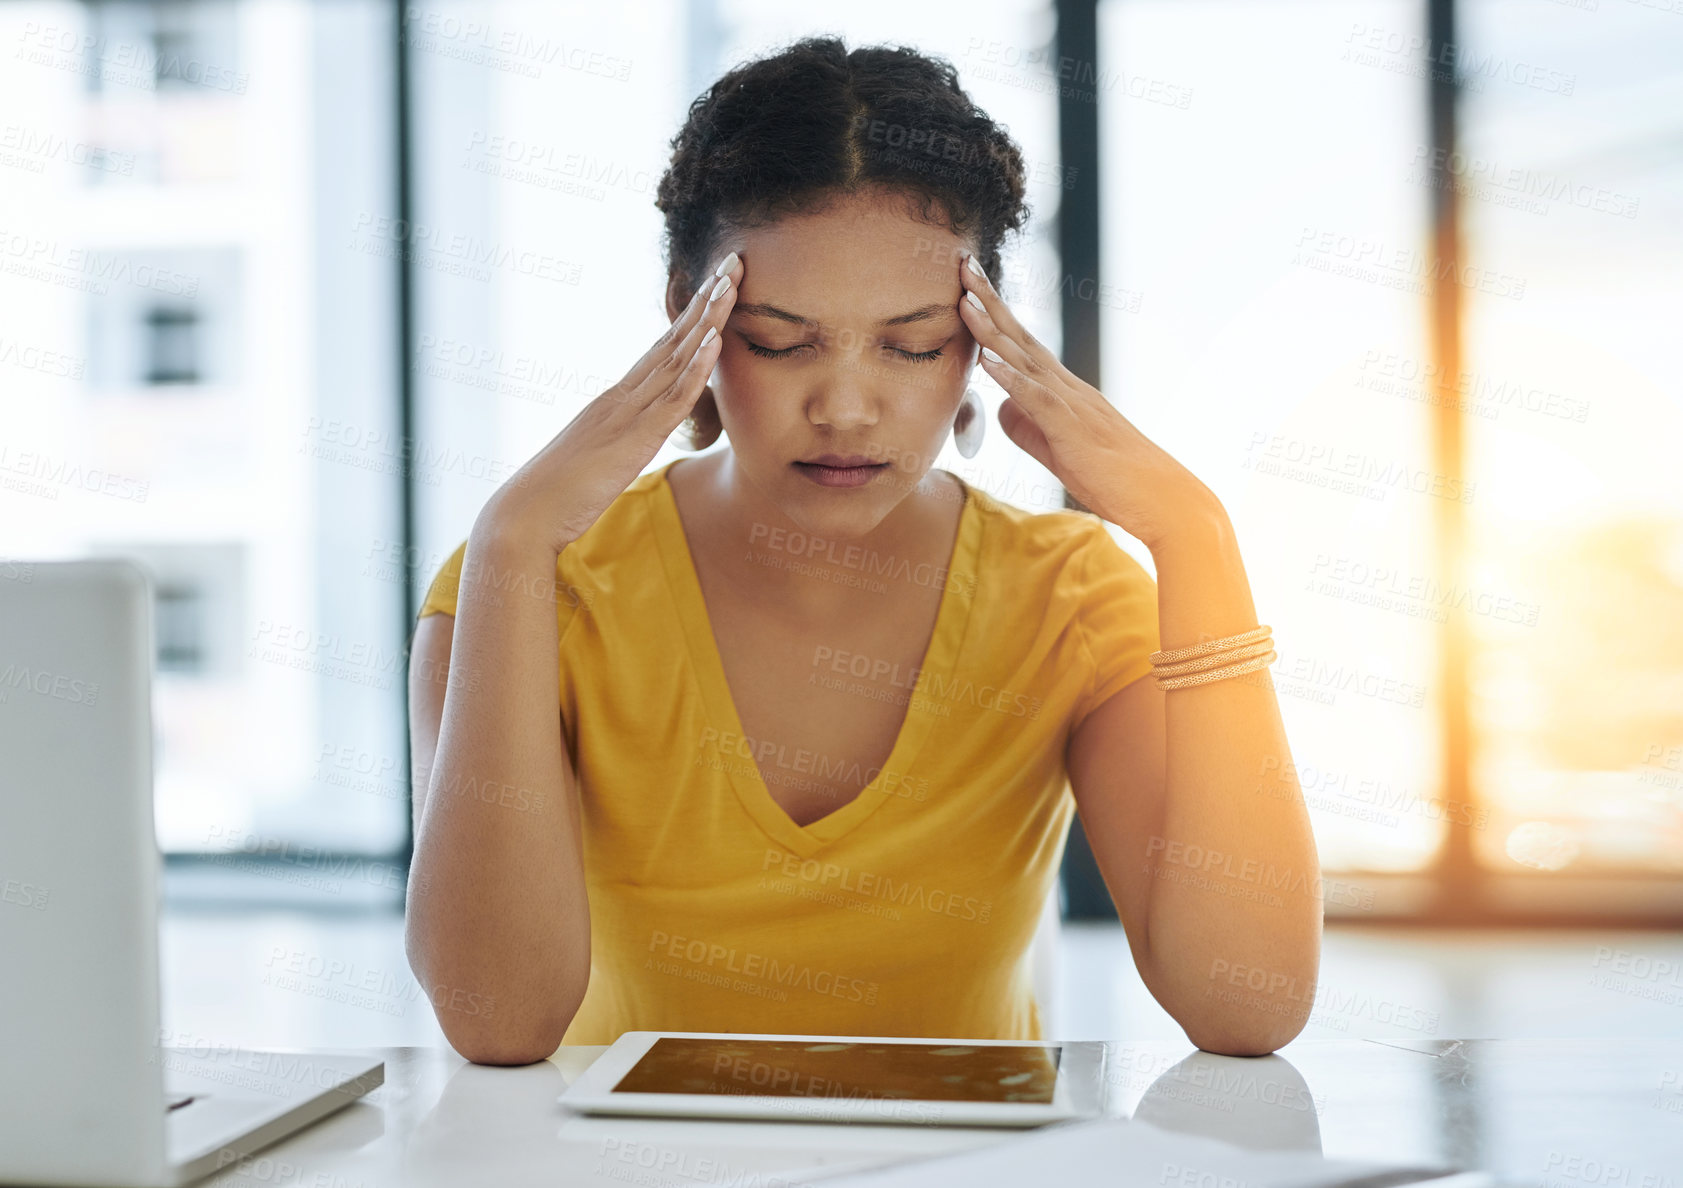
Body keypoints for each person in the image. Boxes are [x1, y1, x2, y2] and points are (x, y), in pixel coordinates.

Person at [403, 36, 1320, 1066]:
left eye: (914, 343)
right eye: (780, 340)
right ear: (685, 319)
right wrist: (515, 538)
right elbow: (496, 1020)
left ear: (986, 335)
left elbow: (1251, 1007)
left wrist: (1193, 536)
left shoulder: (1068, 597)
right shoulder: (535, 584)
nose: (845, 408)